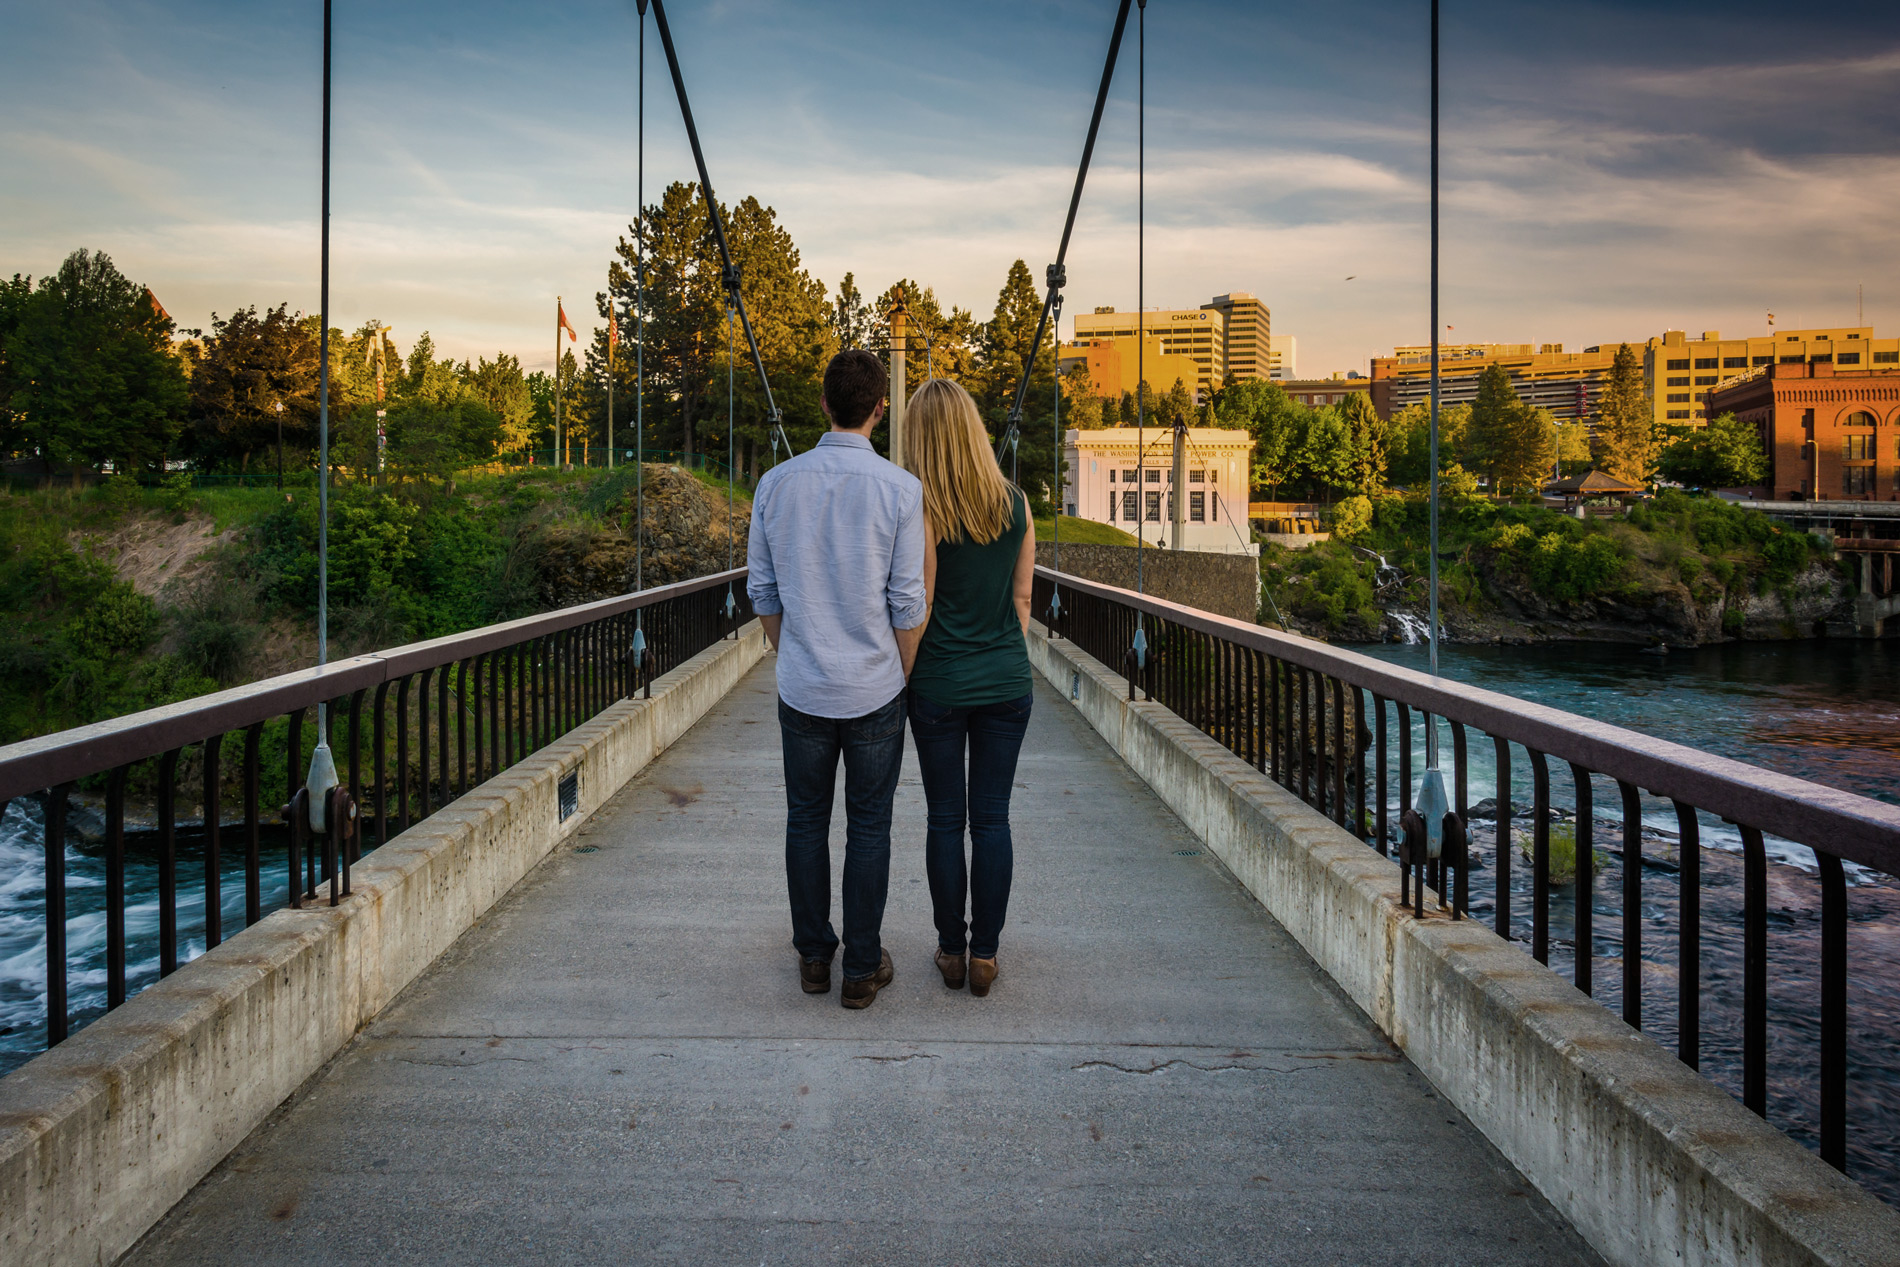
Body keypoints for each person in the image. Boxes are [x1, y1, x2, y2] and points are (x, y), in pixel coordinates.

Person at [746, 349, 928, 1010]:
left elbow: (763, 592)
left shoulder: (775, 485)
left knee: (805, 820)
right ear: (880, 409)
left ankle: (814, 958)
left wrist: (787, 649)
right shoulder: (902, 491)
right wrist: (899, 674)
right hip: (876, 689)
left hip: (802, 686)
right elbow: (908, 604)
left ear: (823, 404)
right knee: (870, 825)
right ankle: (861, 966)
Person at [901, 378, 1036, 998]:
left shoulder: (922, 508)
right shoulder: (1016, 504)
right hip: (1007, 680)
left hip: (939, 683)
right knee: (993, 820)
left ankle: (951, 951)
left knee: (944, 819)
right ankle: (986, 956)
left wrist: (905, 676)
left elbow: (920, 605)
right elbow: (1023, 599)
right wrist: (1000, 651)